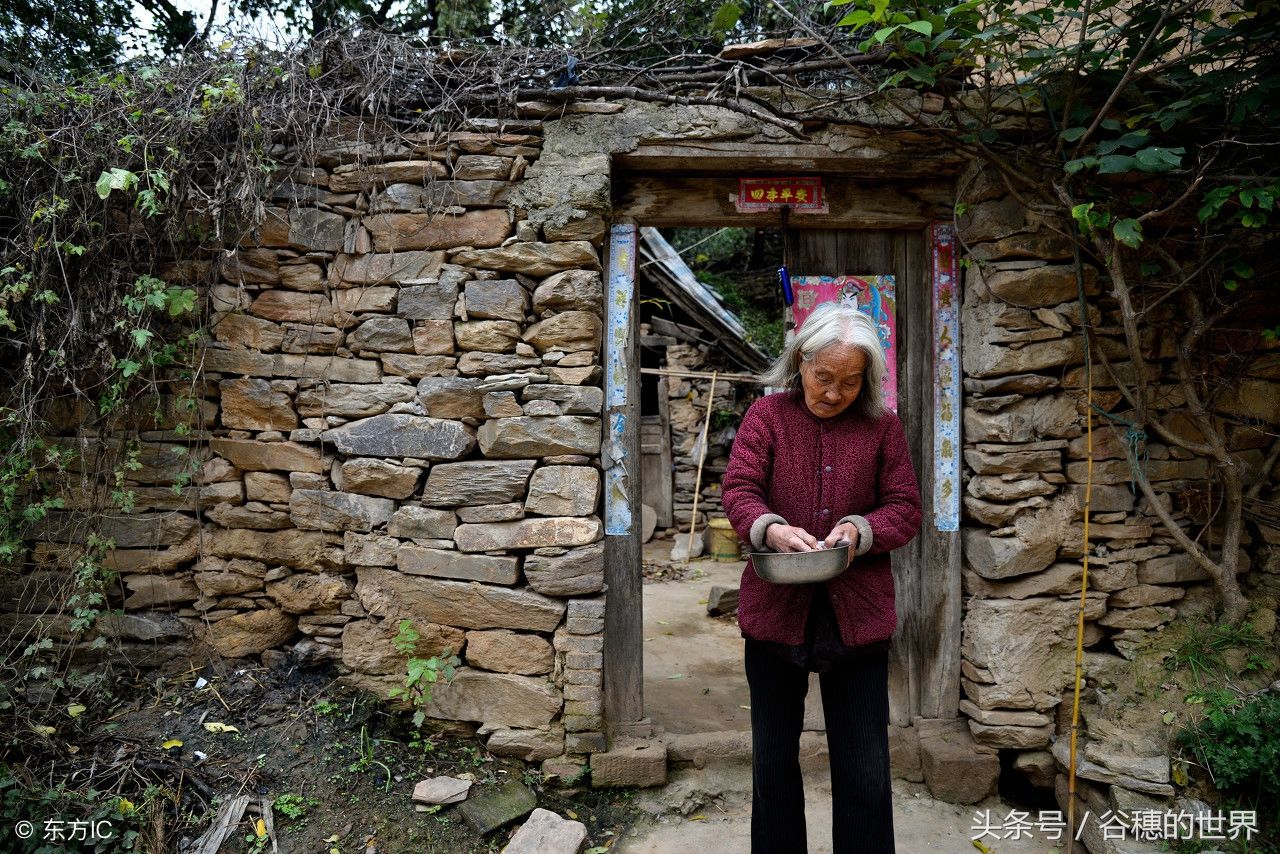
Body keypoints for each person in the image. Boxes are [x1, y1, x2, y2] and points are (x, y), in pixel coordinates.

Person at [721, 300, 922, 854]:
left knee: (864, 767)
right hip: (774, 615)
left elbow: (905, 507)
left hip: (857, 620)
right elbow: (737, 490)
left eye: (850, 382)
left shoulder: (883, 428)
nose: (833, 393)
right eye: (822, 377)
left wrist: (859, 530)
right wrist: (769, 528)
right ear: (799, 363)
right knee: (775, 763)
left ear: (868, 380)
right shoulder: (767, 418)